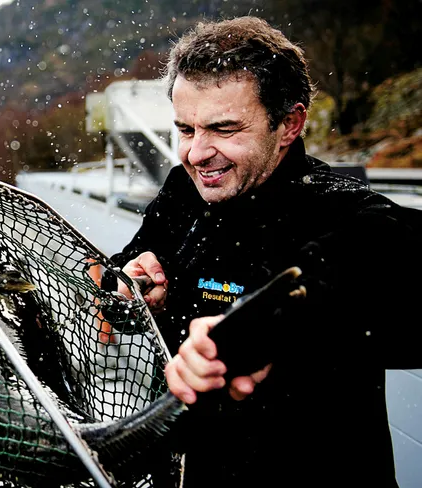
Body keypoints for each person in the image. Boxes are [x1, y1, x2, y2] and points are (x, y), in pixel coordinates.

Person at [105, 16, 422, 488]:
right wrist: (130, 282)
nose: (196, 153)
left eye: (224, 129)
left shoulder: (338, 209)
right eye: (185, 130)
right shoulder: (184, 192)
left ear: (289, 125)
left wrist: (262, 326)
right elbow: (122, 272)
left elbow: (386, 249)